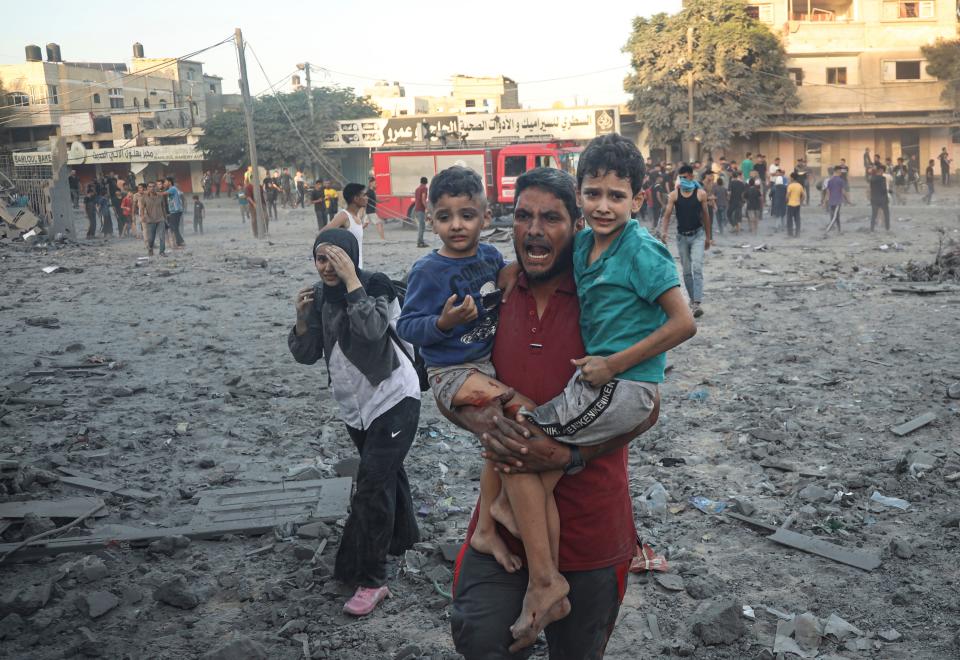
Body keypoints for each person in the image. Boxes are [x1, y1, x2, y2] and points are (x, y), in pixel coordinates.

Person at [443, 165, 675, 659]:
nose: (533, 230)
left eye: (551, 218)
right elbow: (443, 372)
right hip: (503, 523)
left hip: (592, 524)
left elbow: (648, 406)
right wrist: (482, 416)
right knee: (481, 639)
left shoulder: (605, 292)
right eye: (523, 216)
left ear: (577, 225)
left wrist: (565, 456)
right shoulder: (493, 293)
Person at [289, 229, 421, 617]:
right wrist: (301, 319)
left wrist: (352, 283)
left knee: (371, 486)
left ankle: (371, 579)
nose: (328, 266)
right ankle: (404, 537)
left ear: (352, 256)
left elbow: (371, 330)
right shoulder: (317, 298)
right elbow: (307, 353)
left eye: (337, 258)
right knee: (387, 475)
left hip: (396, 398)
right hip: (355, 408)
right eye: (321, 258)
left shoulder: (375, 286)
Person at [659, 164, 711, 318]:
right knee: (687, 272)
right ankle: (692, 300)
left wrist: (708, 237)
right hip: (682, 237)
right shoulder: (674, 195)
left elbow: (706, 216)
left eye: (685, 177)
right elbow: (667, 214)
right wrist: (664, 231)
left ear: (691, 176)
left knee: (697, 267)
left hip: (698, 235)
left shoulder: (701, 194)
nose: (682, 180)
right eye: (680, 177)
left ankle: (696, 303)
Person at [319, 183, 368, 267]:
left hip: (358, 266)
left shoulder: (357, 216)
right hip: (347, 269)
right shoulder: (344, 216)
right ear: (356, 199)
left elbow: (351, 233)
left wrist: (363, 226)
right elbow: (322, 234)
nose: (367, 198)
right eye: (364, 195)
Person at [139, 181, 167, 257]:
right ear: (147, 188)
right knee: (151, 238)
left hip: (160, 219)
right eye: (150, 187)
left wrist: (165, 218)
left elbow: (163, 207)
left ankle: (162, 251)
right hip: (150, 220)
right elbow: (141, 208)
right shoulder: (144, 197)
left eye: (153, 186)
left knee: (162, 236)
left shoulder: (160, 196)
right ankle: (150, 249)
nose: (152, 188)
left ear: (156, 187)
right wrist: (142, 217)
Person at [822, 166, 849, 234]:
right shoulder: (840, 180)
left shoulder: (830, 181)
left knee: (837, 216)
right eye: (840, 171)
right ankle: (826, 231)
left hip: (831, 202)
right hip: (837, 202)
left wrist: (824, 202)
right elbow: (843, 192)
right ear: (838, 171)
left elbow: (827, 193)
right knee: (835, 217)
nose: (841, 173)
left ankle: (839, 230)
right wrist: (847, 200)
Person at [162, 176, 185, 248]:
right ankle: (180, 242)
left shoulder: (172, 189)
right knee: (175, 227)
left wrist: (153, 193)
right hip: (175, 211)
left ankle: (179, 242)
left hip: (176, 210)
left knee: (173, 227)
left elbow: (163, 194)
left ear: (169, 182)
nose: (164, 183)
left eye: (165, 182)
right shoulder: (172, 189)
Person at [869, 166, 890, 231]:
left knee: (874, 215)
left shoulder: (872, 178)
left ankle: (872, 228)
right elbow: (884, 189)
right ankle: (887, 228)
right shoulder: (883, 178)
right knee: (886, 214)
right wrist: (888, 194)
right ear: (881, 171)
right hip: (882, 199)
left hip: (874, 198)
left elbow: (871, 188)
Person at [785, 172, 805, 237]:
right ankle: (797, 233)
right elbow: (803, 196)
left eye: (790, 177)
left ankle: (790, 233)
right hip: (797, 204)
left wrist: (786, 201)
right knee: (797, 219)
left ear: (792, 178)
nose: (789, 178)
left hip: (790, 204)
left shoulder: (790, 186)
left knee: (789, 219)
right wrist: (801, 202)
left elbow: (787, 196)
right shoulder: (800, 186)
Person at [727, 170, 745, 234]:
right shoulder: (741, 183)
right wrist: (743, 201)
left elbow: (729, 193)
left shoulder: (731, 183)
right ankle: (738, 229)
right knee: (738, 215)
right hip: (739, 201)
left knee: (728, 214)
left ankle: (734, 225)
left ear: (732, 176)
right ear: (737, 176)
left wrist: (728, 199)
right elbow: (743, 193)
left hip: (732, 201)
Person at [414, 176, 429, 247]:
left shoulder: (417, 189)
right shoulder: (424, 188)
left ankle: (420, 241)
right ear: (426, 182)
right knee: (422, 226)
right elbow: (423, 199)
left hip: (416, 208)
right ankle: (420, 242)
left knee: (421, 226)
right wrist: (427, 207)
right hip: (420, 209)